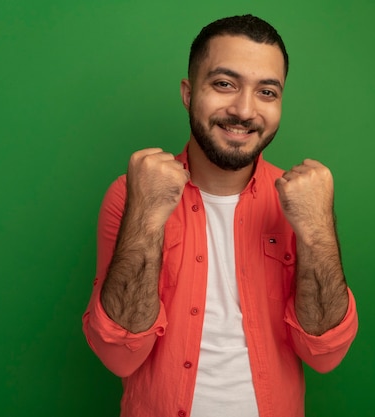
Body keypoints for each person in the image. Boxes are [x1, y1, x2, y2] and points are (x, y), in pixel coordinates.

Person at [82, 14, 358, 417]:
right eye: (224, 84)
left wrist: (317, 232)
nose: (244, 110)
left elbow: (325, 353)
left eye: (267, 91)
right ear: (188, 93)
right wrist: (145, 215)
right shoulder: (130, 194)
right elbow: (118, 354)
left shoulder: (302, 200)